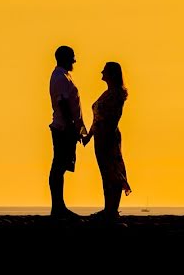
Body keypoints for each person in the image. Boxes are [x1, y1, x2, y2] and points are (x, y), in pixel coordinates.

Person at [83, 61, 132, 218]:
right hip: (101, 136)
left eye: (104, 70)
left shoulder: (117, 93)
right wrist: (90, 136)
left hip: (108, 136)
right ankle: (108, 208)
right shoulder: (108, 93)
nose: (101, 72)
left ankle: (112, 209)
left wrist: (102, 135)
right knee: (106, 172)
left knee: (113, 171)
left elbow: (109, 118)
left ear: (111, 74)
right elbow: (97, 118)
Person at [48, 45, 87, 220]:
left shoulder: (63, 76)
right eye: (72, 57)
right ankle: (58, 206)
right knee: (59, 166)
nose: (74, 61)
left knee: (61, 166)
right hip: (63, 128)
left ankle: (59, 206)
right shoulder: (60, 77)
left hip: (66, 127)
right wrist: (72, 126)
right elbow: (63, 103)